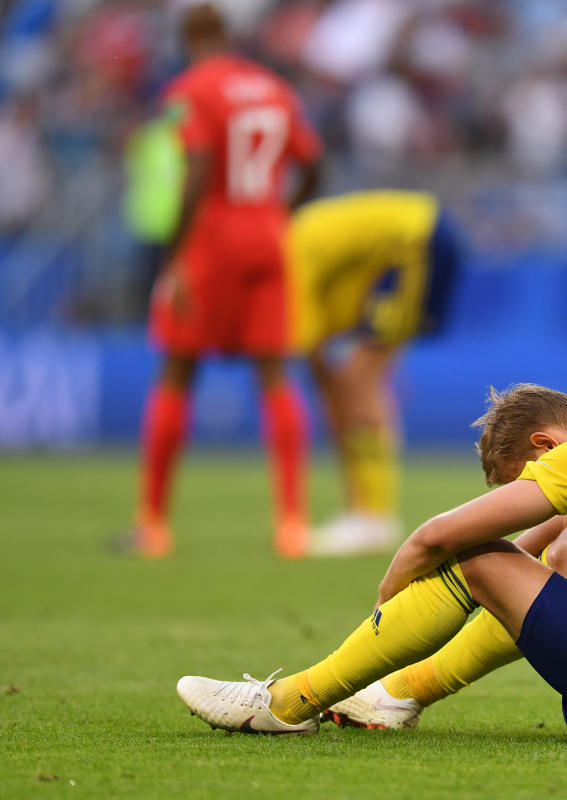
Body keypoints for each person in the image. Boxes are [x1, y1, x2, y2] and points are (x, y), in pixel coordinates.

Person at [177, 384, 567, 741]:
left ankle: (286, 705)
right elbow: (534, 559)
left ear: (545, 446)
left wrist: (393, 595)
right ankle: (395, 695)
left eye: (518, 482)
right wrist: (498, 587)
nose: (526, 492)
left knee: (474, 556)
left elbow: (437, 539)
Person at [126, 3, 323, 558]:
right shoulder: (273, 88)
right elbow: (314, 163)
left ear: (189, 38)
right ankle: (292, 523)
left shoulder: (190, 89)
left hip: (211, 241)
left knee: (177, 372)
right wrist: (281, 213)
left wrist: (176, 255)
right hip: (267, 236)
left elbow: (199, 166)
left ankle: (153, 523)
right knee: (275, 377)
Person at [287, 190, 463, 556]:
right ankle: (366, 511)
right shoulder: (296, 241)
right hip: (413, 241)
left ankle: (372, 516)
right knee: (357, 383)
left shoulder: (289, 258)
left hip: (418, 243)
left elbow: (316, 360)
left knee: (358, 382)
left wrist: (340, 399)